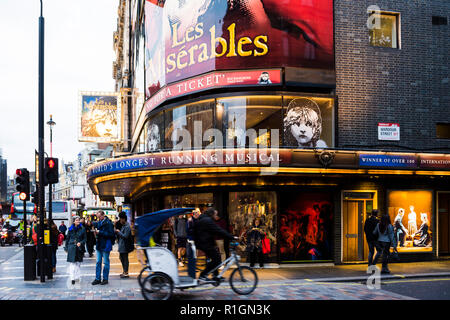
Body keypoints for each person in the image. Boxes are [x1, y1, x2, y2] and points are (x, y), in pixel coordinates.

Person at [193, 207, 236, 281]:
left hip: (204, 242)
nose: (216, 216)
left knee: (215, 258)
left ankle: (215, 276)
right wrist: (231, 237)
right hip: (205, 243)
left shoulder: (204, 219)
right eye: (215, 214)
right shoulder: (208, 220)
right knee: (217, 259)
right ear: (211, 214)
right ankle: (203, 275)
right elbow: (218, 230)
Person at [91, 210, 115, 285]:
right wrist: (96, 233)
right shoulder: (99, 222)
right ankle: (97, 278)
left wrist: (100, 232)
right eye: (98, 217)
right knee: (98, 262)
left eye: (99, 217)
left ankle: (105, 279)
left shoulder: (109, 223)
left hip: (106, 245)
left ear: (103, 215)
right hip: (99, 244)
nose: (98, 218)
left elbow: (111, 234)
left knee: (106, 262)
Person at [65, 216, 86, 285]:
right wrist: (66, 247)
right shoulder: (70, 229)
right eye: (77, 220)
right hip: (72, 247)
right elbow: (67, 239)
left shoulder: (82, 228)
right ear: (73, 221)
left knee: (78, 263)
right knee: (72, 263)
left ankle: (77, 276)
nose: (78, 221)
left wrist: (81, 243)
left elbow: (85, 239)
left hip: (79, 248)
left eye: (79, 220)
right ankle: (72, 278)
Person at [115, 212, 132, 278]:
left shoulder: (127, 226)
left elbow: (125, 236)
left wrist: (119, 232)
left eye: (121, 218)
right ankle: (124, 271)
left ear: (124, 219)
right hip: (121, 244)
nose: (120, 220)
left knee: (125, 258)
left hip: (125, 245)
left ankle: (126, 272)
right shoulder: (123, 225)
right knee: (121, 258)